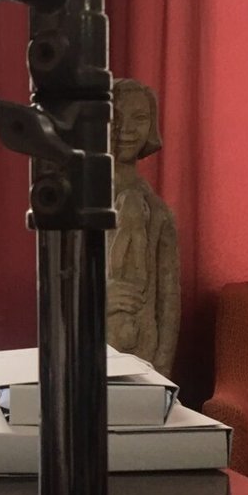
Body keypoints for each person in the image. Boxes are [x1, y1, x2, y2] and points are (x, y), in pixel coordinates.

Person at [107, 77, 181, 375]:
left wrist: (161, 372)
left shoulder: (159, 212)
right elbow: (56, 287)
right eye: (115, 117)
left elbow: (169, 301)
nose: (125, 129)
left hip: (143, 361)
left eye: (139, 118)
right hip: (86, 358)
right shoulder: (77, 205)